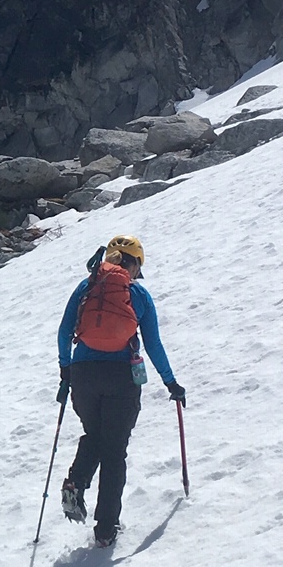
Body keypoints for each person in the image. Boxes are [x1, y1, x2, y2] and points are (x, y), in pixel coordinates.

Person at [56, 234, 185, 547]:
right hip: (121, 377)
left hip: (83, 375)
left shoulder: (86, 286)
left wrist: (66, 372)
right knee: (114, 450)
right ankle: (105, 529)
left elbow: (63, 332)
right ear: (135, 264)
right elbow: (153, 344)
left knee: (95, 435)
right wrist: (170, 382)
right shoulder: (138, 294)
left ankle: (76, 482)